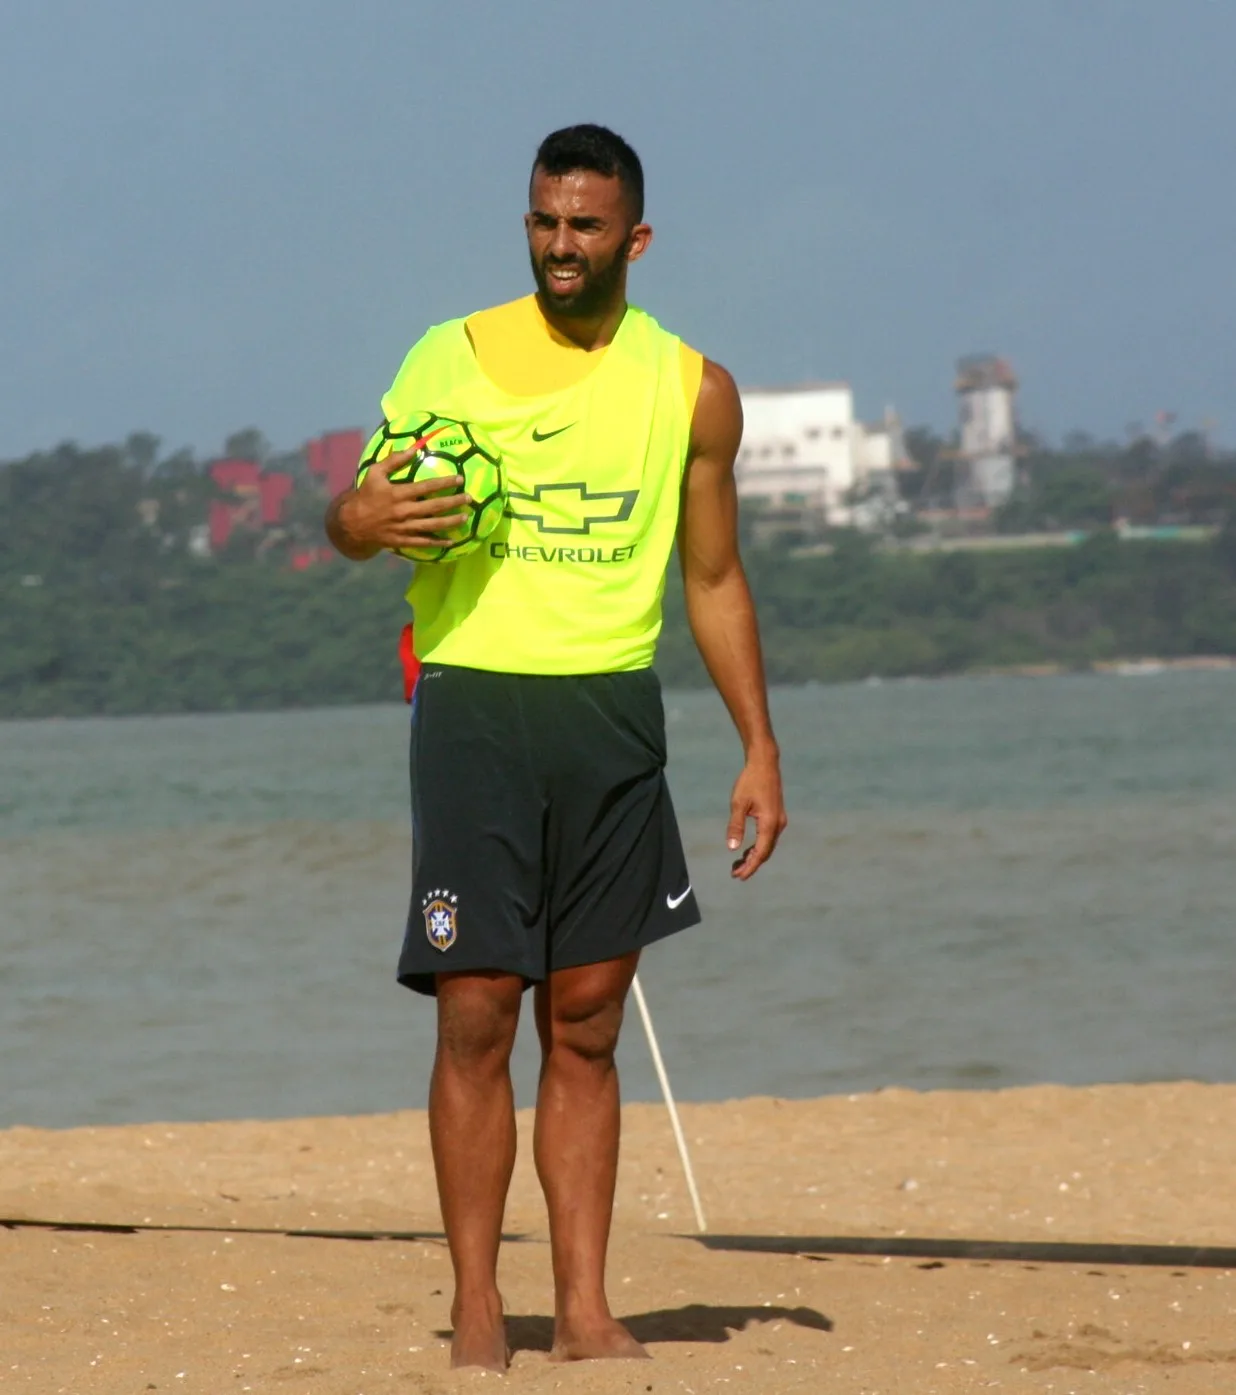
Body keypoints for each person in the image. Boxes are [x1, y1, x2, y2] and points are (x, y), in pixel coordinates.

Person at [325, 123, 786, 1372]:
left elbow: (714, 578)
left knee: (587, 1019)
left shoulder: (693, 387)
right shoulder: (452, 353)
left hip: (611, 714)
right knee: (476, 1009)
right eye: (543, 221)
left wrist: (759, 746)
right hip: (475, 707)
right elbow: (366, 514)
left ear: (634, 237)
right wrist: (354, 520)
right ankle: (482, 1304)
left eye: (585, 225)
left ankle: (582, 1306)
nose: (560, 244)